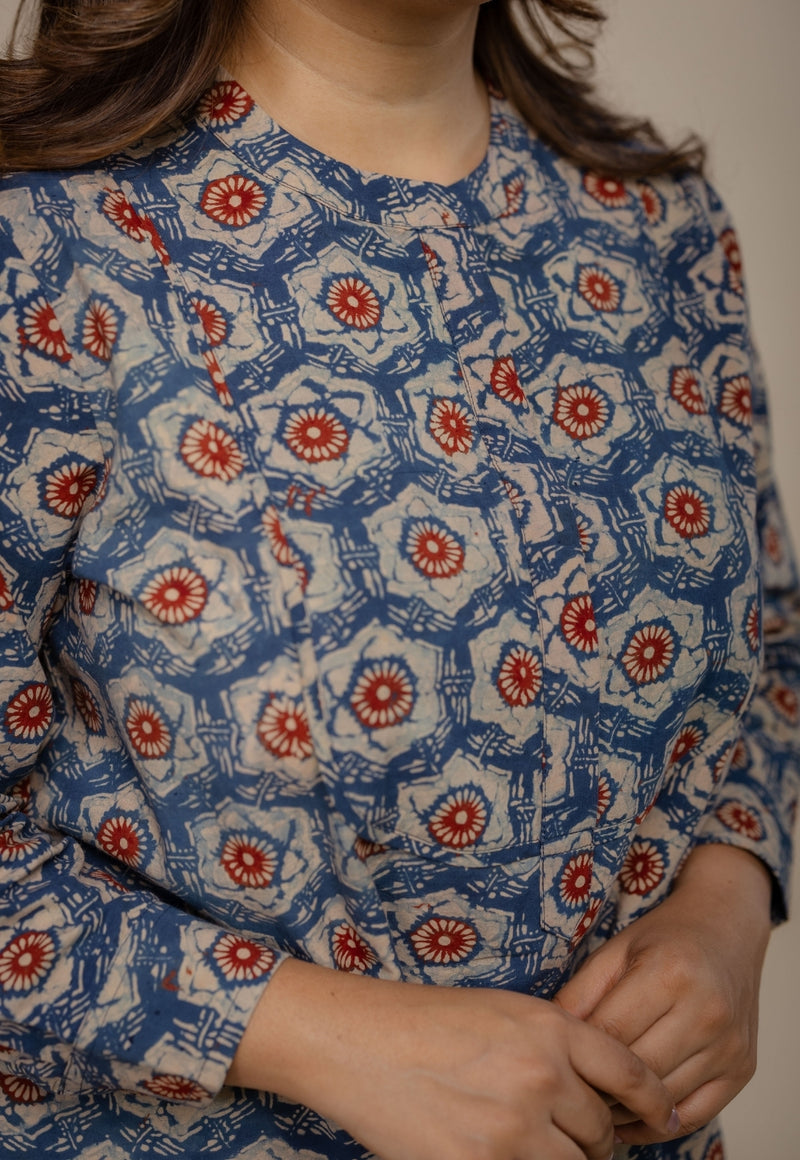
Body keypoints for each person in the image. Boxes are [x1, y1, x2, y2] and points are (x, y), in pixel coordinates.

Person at [0, 1, 797, 1157]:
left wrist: (724, 905)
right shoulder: (41, 244)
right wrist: (322, 1038)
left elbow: (768, 637)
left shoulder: (654, 218)